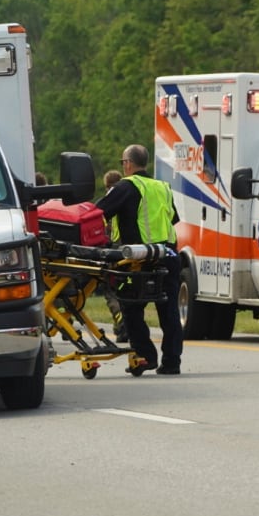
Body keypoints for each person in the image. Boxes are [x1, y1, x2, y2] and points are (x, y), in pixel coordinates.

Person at [95, 144, 184, 376]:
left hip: (138, 259)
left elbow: (99, 211)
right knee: (169, 310)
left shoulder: (125, 186)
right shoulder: (163, 187)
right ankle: (172, 362)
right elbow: (173, 218)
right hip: (168, 255)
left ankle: (145, 356)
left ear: (127, 163)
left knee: (131, 307)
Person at [100, 168, 128, 343]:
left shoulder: (105, 203)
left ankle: (121, 324)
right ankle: (123, 325)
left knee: (111, 293)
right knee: (126, 292)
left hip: (111, 253)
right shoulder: (127, 198)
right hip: (128, 252)